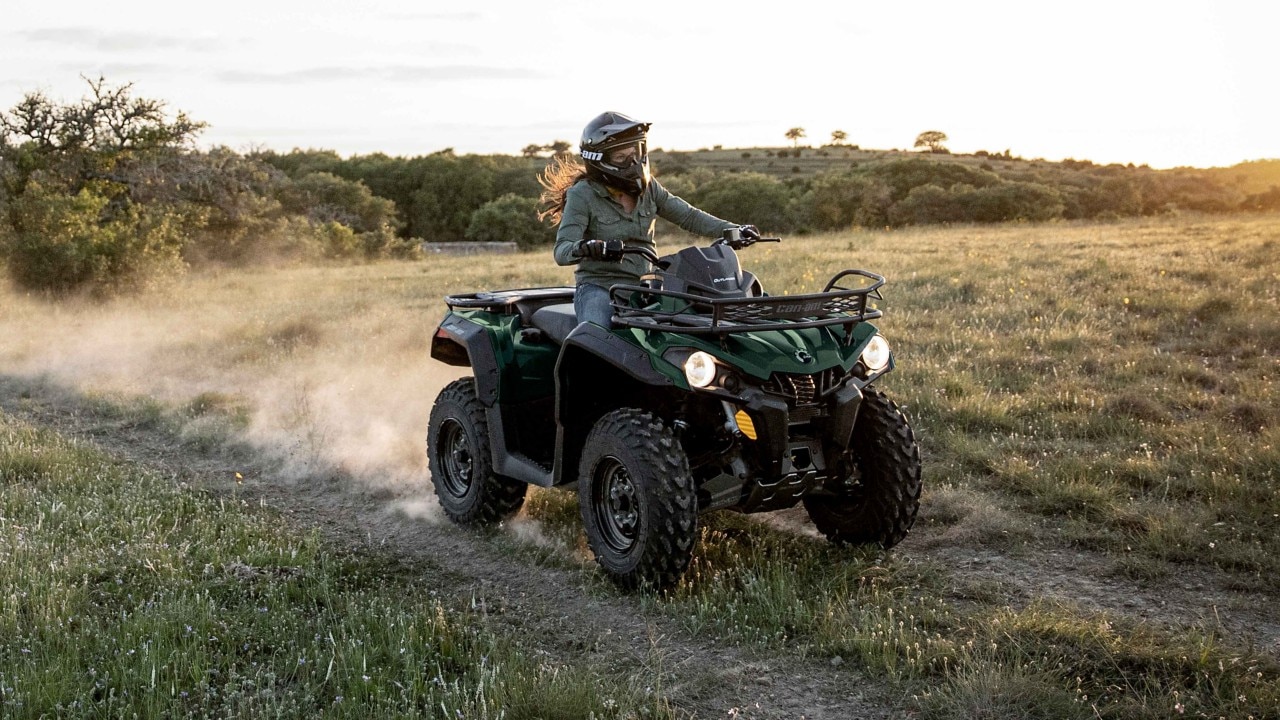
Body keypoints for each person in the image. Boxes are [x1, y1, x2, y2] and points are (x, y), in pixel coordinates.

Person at [538, 111, 758, 328]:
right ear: (599, 160)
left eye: (635, 153)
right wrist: (587, 248)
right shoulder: (582, 194)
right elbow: (562, 251)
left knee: (696, 324)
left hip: (649, 286)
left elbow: (689, 216)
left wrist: (734, 230)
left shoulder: (649, 188)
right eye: (621, 158)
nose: (633, 162)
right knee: (596, 334)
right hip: (601, 287)